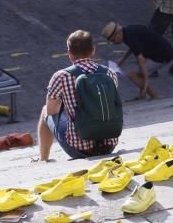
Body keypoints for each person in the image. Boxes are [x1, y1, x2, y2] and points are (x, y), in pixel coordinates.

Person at [38, 30, 119, 161]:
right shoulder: (109, 73)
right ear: (93, 50)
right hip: (109, 145)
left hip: (79, 149)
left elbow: (52, 110)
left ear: (69, 53)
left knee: (45, 111)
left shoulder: (61, 76)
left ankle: (43, 159)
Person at [101, 22, 173, 101]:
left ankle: (155, 96)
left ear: (118, 33)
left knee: (132, 74)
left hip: (162, 56)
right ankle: (142, 95)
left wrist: (145, 84)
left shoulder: (130, 37)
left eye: (113, 40)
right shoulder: (128, 31)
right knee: (138, 68)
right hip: (160, 51)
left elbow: (141, 60)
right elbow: (135, 47)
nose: (114, 43)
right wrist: (122, 59)